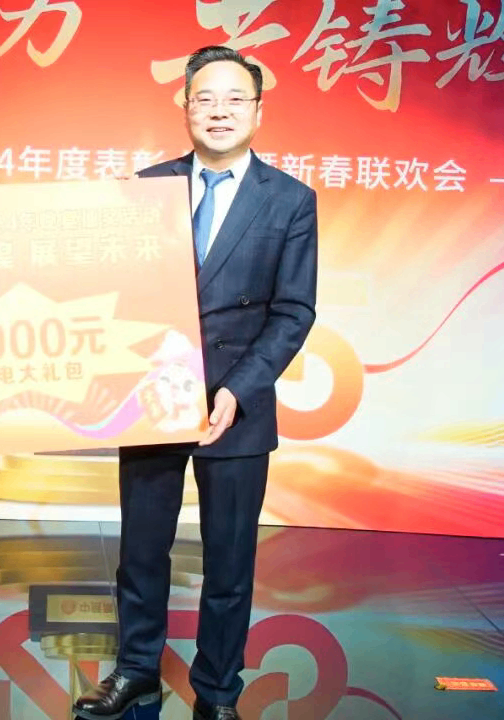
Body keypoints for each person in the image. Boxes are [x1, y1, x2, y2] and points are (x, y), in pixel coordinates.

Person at [73, 46, 318, 720]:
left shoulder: (290, 200)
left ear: (258, 111)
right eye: (205, 98)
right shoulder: (144, 189)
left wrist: (238, 389)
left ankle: (217, 692)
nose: (219, 111)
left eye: (235, 99)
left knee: (229, 563)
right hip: (151, 399)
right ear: (185, 106)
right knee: (141, 552)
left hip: (239, 406)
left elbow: (294, 311)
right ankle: (136, 673)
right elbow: (112, 293)